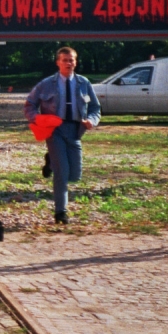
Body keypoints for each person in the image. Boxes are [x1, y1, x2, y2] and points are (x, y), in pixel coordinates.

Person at [24, 47, 101, 224]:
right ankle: (61, 212)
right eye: (65, 60)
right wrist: (38, 119)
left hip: (75, 130)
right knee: (62, 172)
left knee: (74, 175)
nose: (68, 63)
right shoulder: (46, 84)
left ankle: (50, 160)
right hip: (55, 131)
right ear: (58, 62)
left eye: (71, 60)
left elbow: (96, 108)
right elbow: (29, 105)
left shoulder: (84, 83)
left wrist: (92, 120)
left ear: (76, 62)